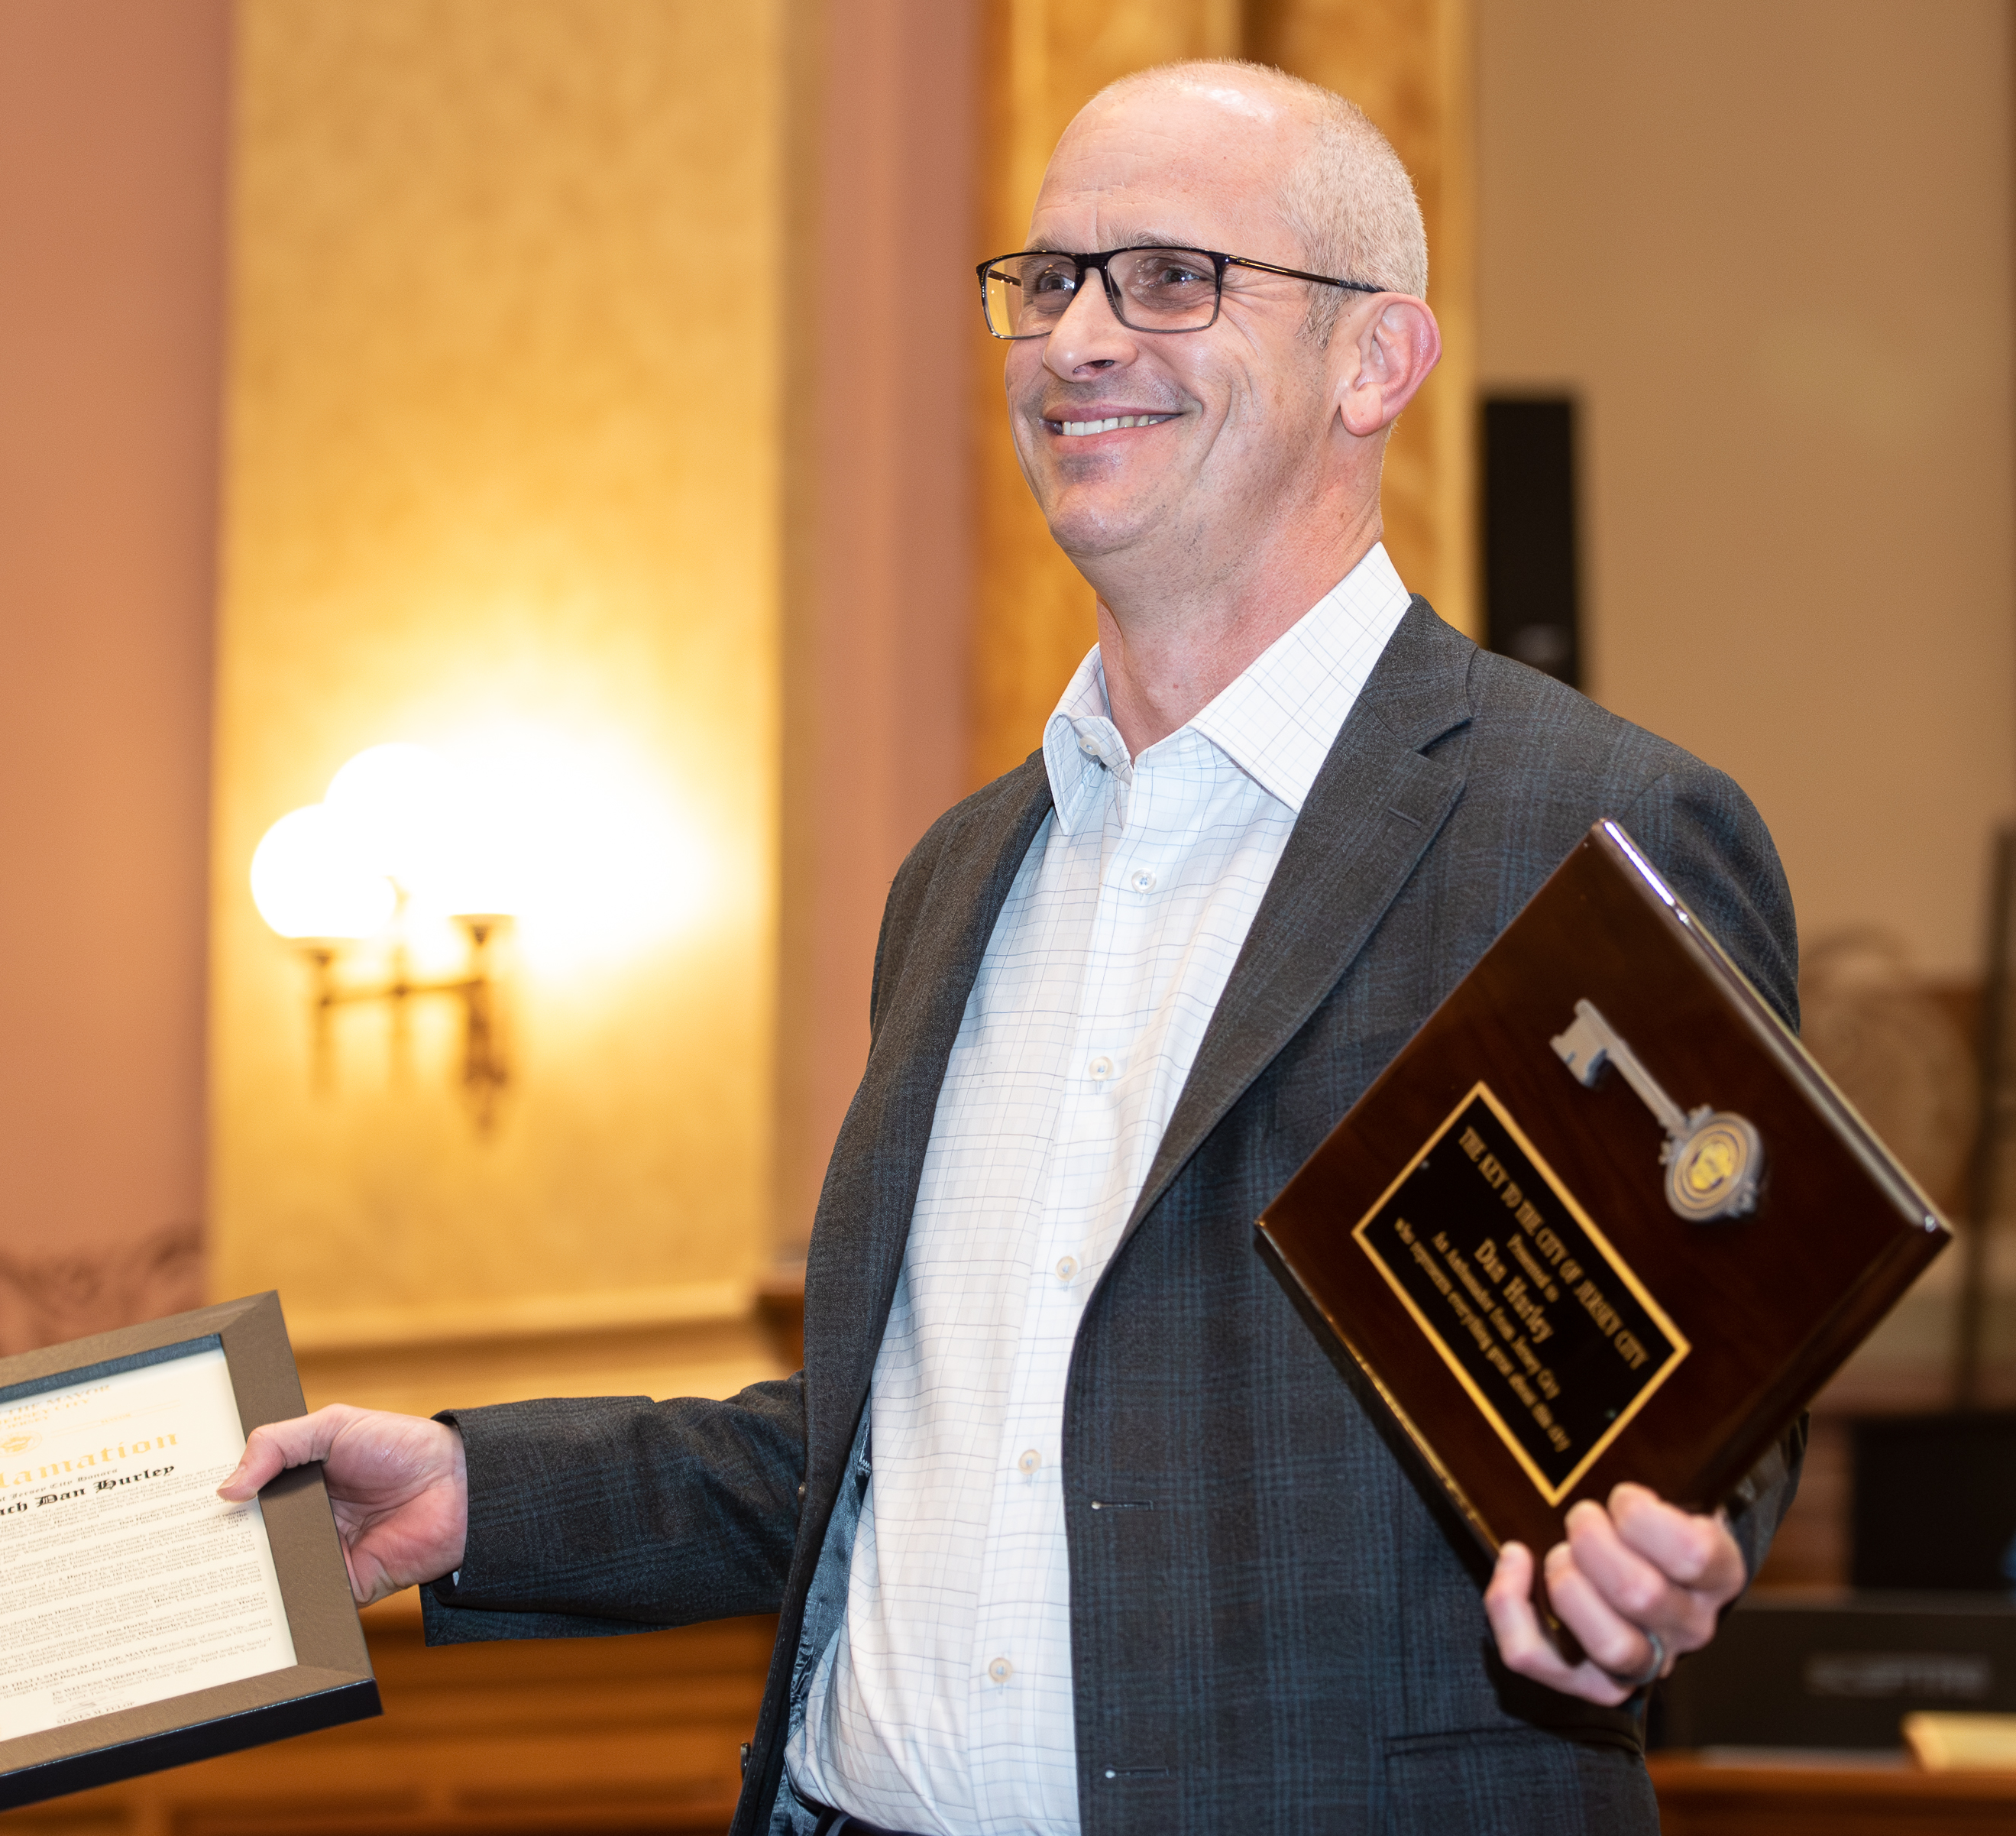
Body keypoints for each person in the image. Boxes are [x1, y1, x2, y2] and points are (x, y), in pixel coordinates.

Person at [221, 60, 1799, 1834]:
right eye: (1047, 280)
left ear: (1378, 363)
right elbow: (872, 1437)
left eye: (1172, 278)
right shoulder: (966, 873)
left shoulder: (1574, 822)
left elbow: (1709, 1391)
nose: (1079, 339)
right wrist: (469, 1489)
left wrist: (1662, 1558)